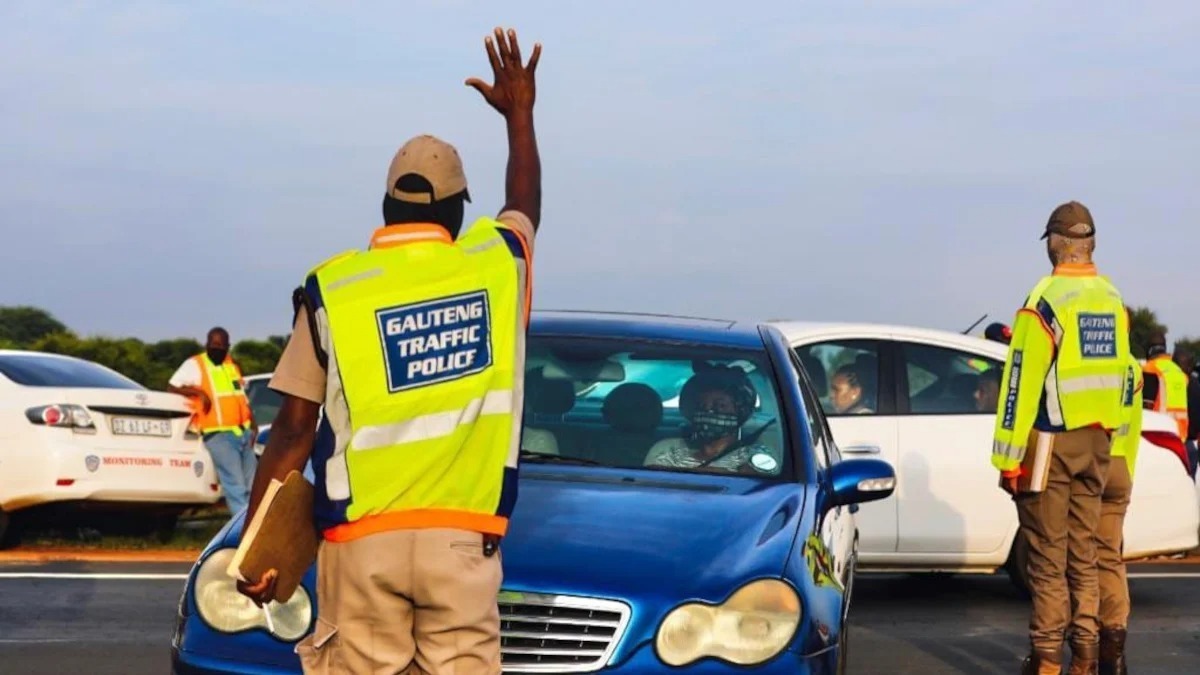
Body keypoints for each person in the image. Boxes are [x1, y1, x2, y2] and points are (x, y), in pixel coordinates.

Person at [235, 27, 542, 675]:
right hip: (461, 542)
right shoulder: (495, 265)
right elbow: (524, 205)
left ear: (386, 203)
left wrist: (254, 548)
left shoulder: (334, 288)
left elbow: (293, 430)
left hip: (359, 544)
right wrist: (520, 114)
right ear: (458, 209)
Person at [991, 201, 1129, 675]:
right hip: (1098, 446)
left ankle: (1048, 661)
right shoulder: (1111, 298)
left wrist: (1007, 458)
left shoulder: (1046, 298)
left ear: (1055, 243)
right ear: (1088, 245)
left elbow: (1019, 384)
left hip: (1050, 444)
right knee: (1085, 556)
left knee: (1048, 561)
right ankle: (1086, 660)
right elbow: (1122, 378)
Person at [167, 326, 257, 515]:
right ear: (207, 344)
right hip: (218, 434)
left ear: (228, 346)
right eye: (214, 344)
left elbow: (241, 397)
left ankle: (254, 529)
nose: (218, 348)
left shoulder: (231, 366)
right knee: (236, 486)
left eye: (222, 345)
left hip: (244, 433)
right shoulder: (195, 364)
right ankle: (242, 532)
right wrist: (197, 392)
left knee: (253, 486)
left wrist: (253, 425)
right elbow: (172, 387)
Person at [1095, 308, 1141, 675]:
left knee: (1075, 559)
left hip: (1092, 464)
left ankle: (1082, 648)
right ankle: (1115, 650)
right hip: (1122, 465)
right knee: (1110, 556)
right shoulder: (1133, 368)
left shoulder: (1098, 364)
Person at [643, 365, 777, 474]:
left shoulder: (756, 456)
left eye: (720, 406)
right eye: (702, 406)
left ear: (740, 411)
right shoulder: (668, 450)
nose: (709, 411)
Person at [1141, 331, 1190, 442]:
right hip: (1181, 436)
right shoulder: (1180, 373)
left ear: (1149, 350)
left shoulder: (1150, 369)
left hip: (1159, 434)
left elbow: (1146, 406)